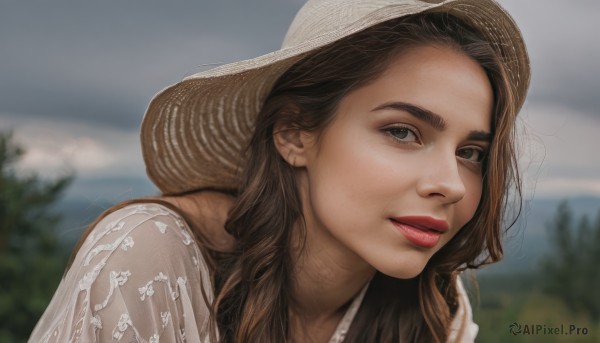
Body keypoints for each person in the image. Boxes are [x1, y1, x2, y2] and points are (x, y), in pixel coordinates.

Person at [29, 0, 530, 342]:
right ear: (294, 134)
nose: (448, 184)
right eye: (402, 131)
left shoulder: (434, 308)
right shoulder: (152, 258)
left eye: (472, 153)